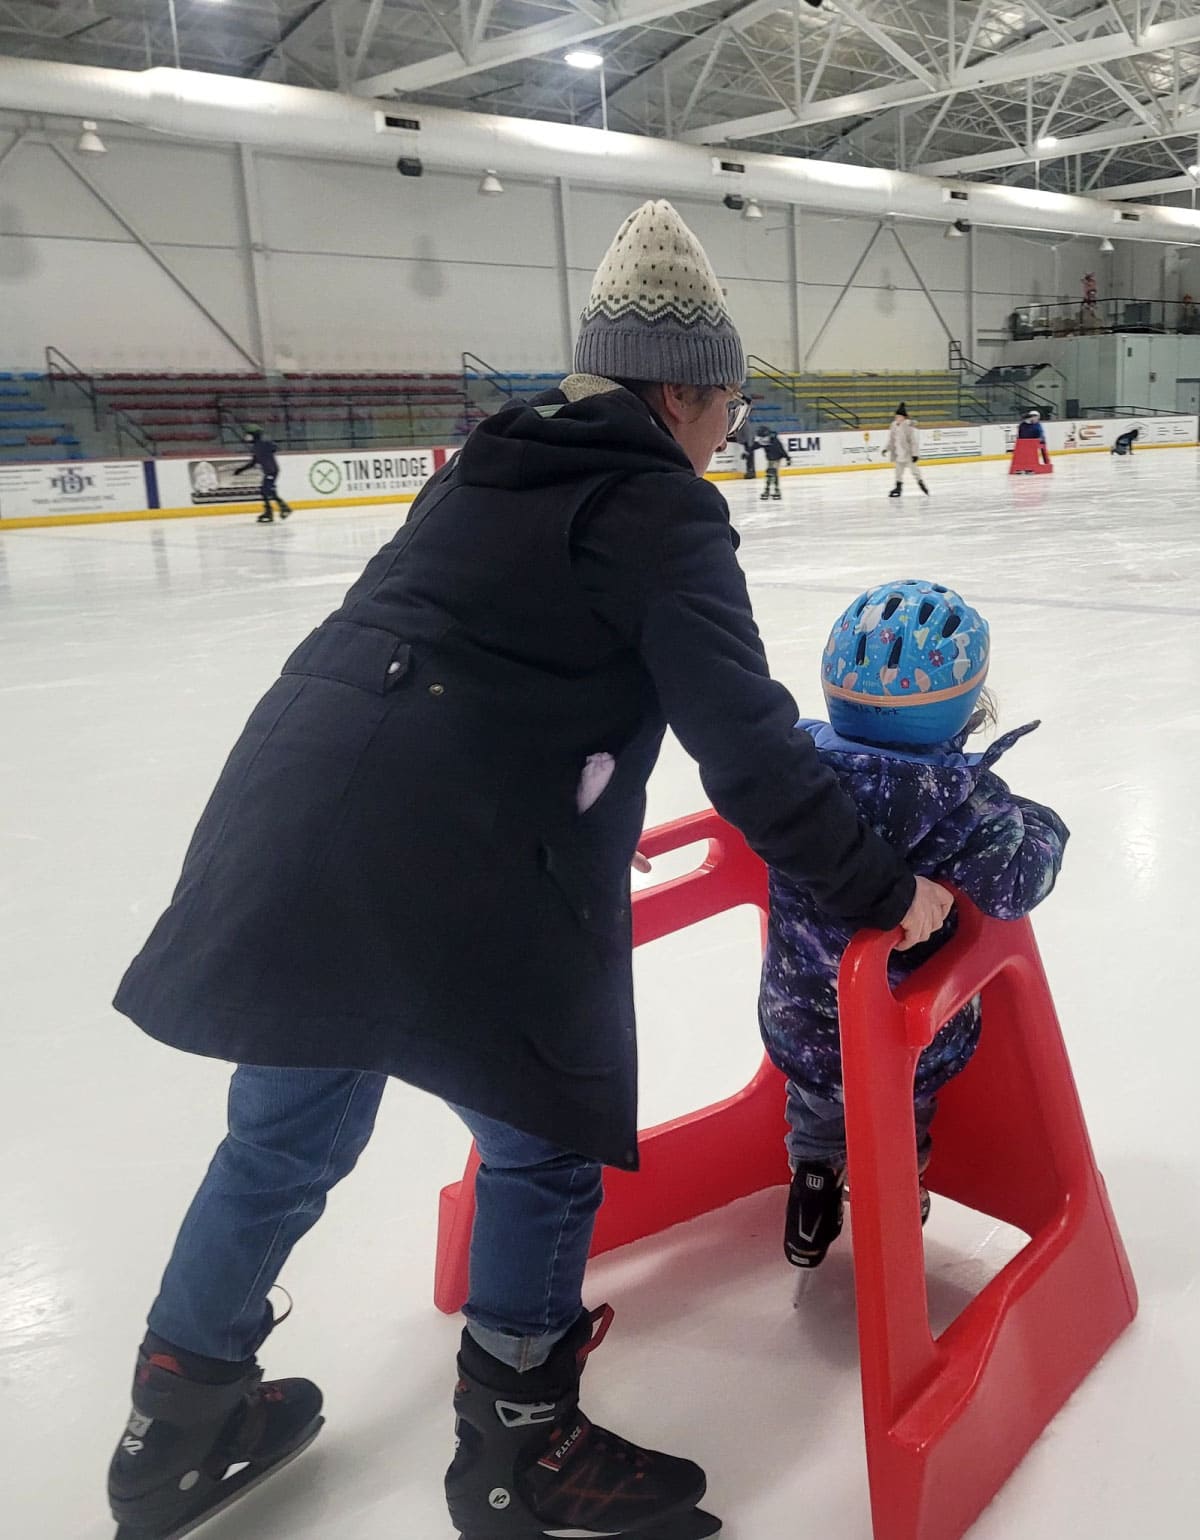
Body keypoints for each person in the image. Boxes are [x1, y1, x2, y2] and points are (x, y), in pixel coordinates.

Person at [104, 201, 952, 1540]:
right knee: (542, 1141)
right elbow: (749, 752)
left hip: (292, 819)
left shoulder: (485, 462)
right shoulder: (662, 508)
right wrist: (885, 892)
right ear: (681, 391)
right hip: (455, 856)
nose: (727, 434)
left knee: (280, 1135)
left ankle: (175, 1420)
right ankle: (519, 1447)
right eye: (727, 407)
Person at [758, 579, 1068, 1268]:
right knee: (899, 1116)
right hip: (901, 1039)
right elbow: (1020, 881)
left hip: (800, 1019)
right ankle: (896, 1192)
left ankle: (812, 1176)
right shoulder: (966, 806)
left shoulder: (793, 771)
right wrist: (1040, 821)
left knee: (816, 1105)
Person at [235, 424, 292, 524]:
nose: (247, 437)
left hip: (271, 471)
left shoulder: (262, 444)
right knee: (266, 491)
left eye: (249, 435)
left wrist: (241, 469)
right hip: (270, 471)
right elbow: (254, 461)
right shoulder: (257, 446)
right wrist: (241, 469)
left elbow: (274, 447)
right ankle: (275, 510)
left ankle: (279, 509)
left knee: (266, 490)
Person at [886, 403, 928, 497]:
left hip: (908, 454)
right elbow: (891, 439)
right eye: (896, 416)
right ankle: (898, 487)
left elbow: (913, 441)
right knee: (898, 472)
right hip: (898, 454)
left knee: (915, 471)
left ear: (904, 417)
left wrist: (915, 454)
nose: (897, 418)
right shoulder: (893, 425)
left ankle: (921, 483)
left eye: (899, 416)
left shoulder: (907, 427)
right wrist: (887, 449)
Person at [753, 425, 792, 500]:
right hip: (770, 458)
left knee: (772, 472)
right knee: (770, 473)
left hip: (777, 458)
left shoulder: (775, 441)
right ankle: (771, 489)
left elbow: (781, 449)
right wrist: (748, 452)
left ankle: (774, 490)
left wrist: (787, 458)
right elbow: (755, 446)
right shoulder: (764, 440)